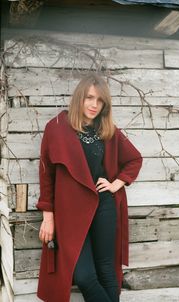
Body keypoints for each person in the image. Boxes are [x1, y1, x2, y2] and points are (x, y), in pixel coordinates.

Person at [36, 73, 143, 302]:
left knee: (107, 271)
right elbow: (47, 174)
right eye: (89, 98)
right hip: (70, 211)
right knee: (84, 276)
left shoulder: (107, 129)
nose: (94, 105)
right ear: (79, 98)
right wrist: (48, 215)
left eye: (100, 100)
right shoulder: (56, 127)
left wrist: (115, 184)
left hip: (102, 205)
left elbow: (135, 159)